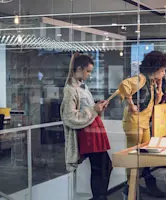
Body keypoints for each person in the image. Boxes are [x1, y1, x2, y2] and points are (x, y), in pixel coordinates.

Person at [117, 51, 166, 199]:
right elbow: (123, 86)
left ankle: (133, 187)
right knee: (134, 157)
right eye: (162, 70)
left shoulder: (151, 82)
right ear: (156, 69)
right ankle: (130, 188)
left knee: (143, 157)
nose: (164, 73)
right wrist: (130, 103)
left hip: (144, 123)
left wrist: (159, 93)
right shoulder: (141, 79)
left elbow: (152, 104)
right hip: (135, 122)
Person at [60, 53, 112, 200]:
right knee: (101, 167)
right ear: (79, 68)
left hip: (94, 128)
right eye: (88, 71)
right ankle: (100, 197)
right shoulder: (70, 89)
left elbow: (87, 108)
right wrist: (93, 109)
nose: (89, 74)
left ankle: (100, 196)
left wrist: (97, 106)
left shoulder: (83, 86)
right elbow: (70, 116)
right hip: (88, 132)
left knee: (104, 166)